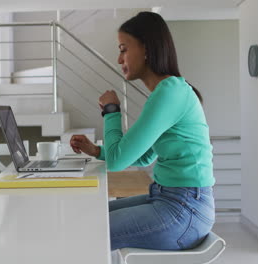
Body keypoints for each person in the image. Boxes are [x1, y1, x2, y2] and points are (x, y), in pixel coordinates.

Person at [69, 11, 215, 251]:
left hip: (184, 210)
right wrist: (97, 150)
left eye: (123, 49)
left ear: (146, 49)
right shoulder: (168, 91)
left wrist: (112, 111)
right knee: (89, 215)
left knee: (88, 230)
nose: (119, 59)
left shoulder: (169, 92)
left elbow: (117, 161)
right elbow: (146, 155)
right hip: (170, 199)